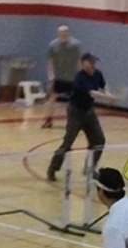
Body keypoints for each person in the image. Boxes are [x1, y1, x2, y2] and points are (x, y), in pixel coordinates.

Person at [45, 53, 115, 182]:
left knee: (99, 141)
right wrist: (107, 98)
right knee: (68, 143)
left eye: (95, 62)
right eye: (91, 62)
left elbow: (103, 86)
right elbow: (92, 93)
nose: (93, 65)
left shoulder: (97, 74)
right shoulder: (79, 78)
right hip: (75, 113)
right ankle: (52, 169)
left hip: (89, 112)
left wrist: (108, 94)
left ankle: (90, 168)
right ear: (83, 63)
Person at [42, 24, 81, 129]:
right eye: (61, 32)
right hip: (58, 77)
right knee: (52, 98)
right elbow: (50, 61)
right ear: (58, 33)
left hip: (72, 77)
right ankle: (48, 120)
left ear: (68, 32)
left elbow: (78, 60)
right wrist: (51, 74)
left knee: (75, 100)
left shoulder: (75, 45)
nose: (64, 34)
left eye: (66, 32)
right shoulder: (53, 45)